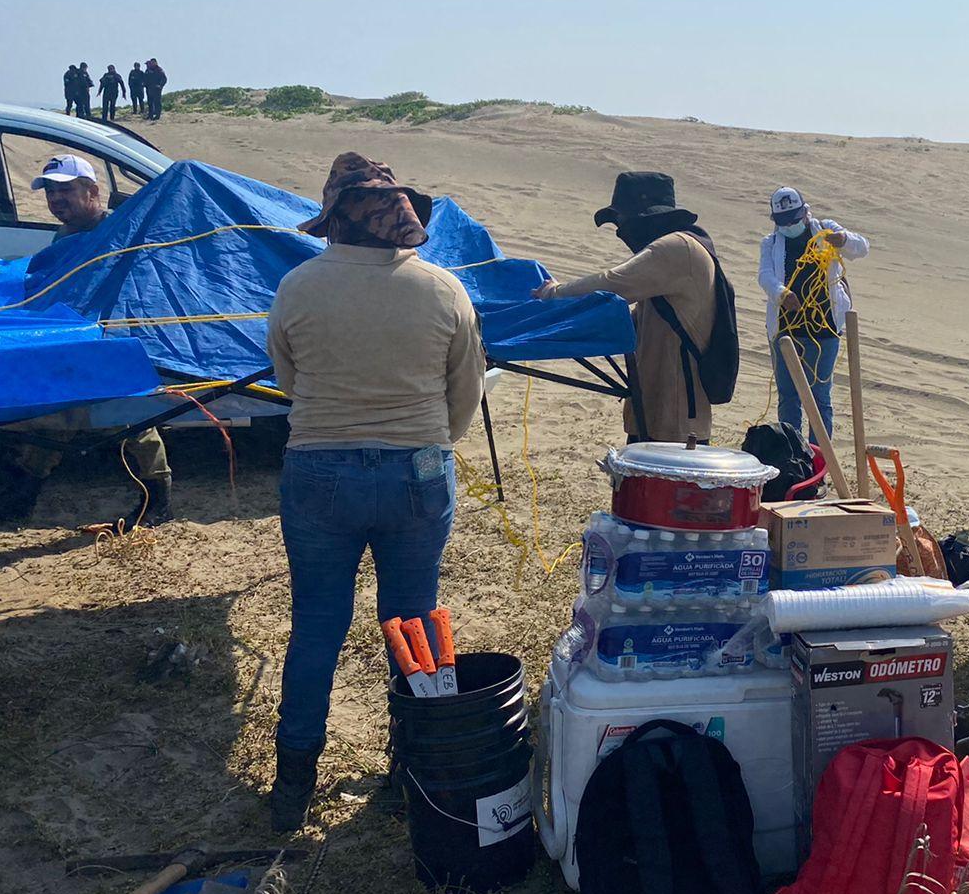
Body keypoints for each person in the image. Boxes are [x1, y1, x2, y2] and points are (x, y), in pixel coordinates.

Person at [265, 152, 483, 832]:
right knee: (415, 625)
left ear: (334, 219)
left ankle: (293, 783)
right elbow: (464, 395)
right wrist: (420, 445)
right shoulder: (443, 288)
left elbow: (288, 380)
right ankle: (422, 766)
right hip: (417, 468)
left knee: (318, 628)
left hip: (319, 470)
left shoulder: (298, 286)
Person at [0, 155, 172, 526]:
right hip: (73, 337)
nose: (57, 199)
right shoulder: (66, 236)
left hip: (113, 341)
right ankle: (23, 494)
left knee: (129, 417)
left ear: (92, 190)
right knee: (50, 406)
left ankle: (159, 498)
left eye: (66, 190)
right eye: (51, 192)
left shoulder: (119, 229)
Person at [534, 172, 719, 444]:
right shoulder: (673, 255)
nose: (621, 231)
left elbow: (612, 284)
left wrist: (554, 293)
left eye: (622, 222)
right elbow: (635, 320)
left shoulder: (676, 249)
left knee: (657, 486)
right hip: (656, 408)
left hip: (677, 420)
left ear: (645, 217)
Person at [757, 186, 868, 440]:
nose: (791, 225)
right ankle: (793, 455)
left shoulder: (825, 230)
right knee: (789, 396)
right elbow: (765, 275)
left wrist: (844, 240)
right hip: (786, 331)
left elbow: (862, 248)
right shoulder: (771, 242)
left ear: (805, 212)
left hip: (824, 328)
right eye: (784, 221)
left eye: (795, 219)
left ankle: (819, 461)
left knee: (820, 397)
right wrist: (782, 294)